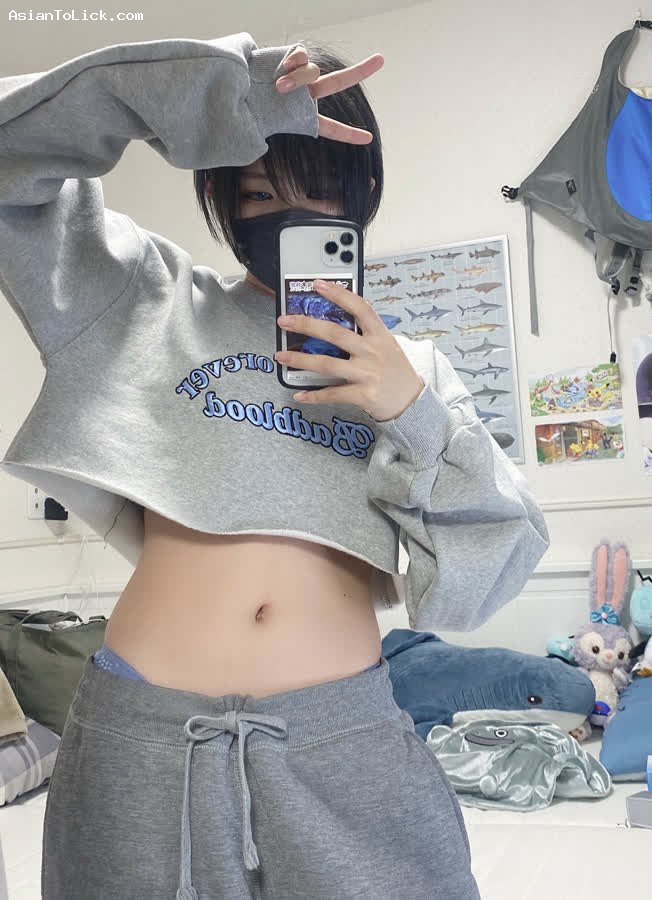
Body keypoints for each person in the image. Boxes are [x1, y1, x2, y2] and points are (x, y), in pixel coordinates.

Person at [0, 33, 550, 899]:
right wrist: (210, 96)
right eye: (260, 192)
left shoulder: (414, 370)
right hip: (143, 738)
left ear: (360, 196)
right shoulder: (141, 299)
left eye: (320, 191)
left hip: (341, 741)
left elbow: (480, 581)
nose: (292, 217)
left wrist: (408, 410)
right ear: (222, 193)